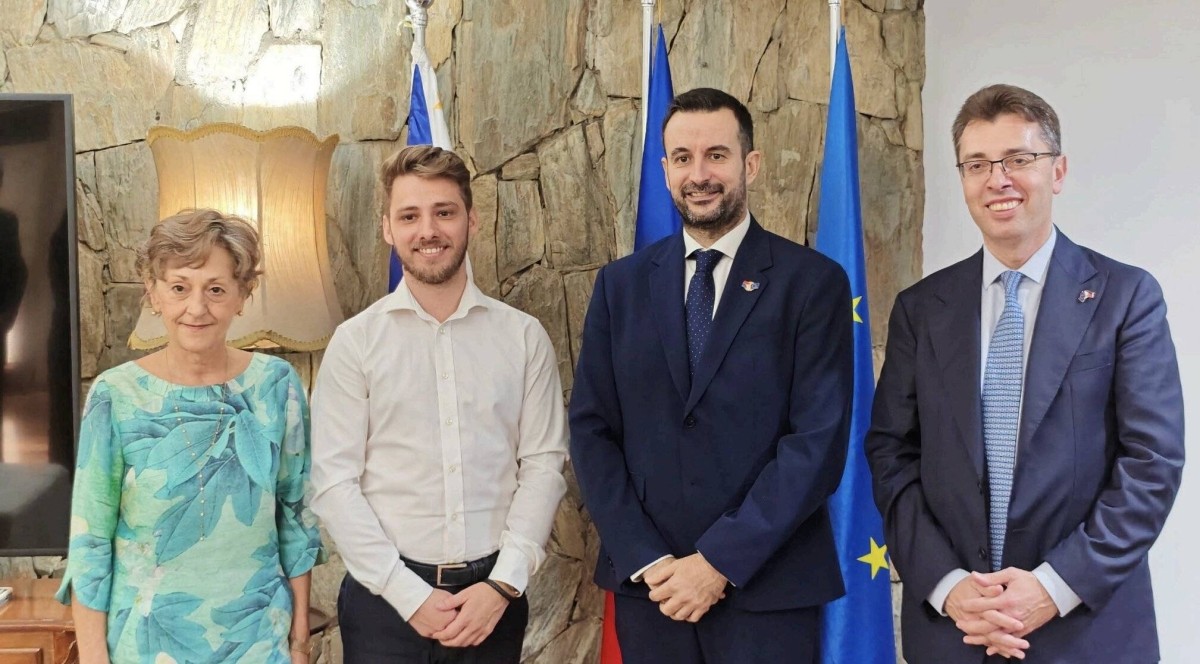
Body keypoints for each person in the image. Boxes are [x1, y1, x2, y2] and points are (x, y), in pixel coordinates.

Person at [865, 84, 1184, 663]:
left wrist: (1052, 588)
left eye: (1018, 158)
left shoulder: (1126, 298)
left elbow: (1152, 464)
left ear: (1057, 171)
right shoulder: (921, 309)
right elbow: (892, 456)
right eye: (978, 164)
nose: (998, 179)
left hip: (1086, 632)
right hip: (957, 632)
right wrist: (947, 585)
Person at [568, 87, 854, 664]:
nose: (699, 174)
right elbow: (591, 431)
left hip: (769, 591)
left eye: (716, 155)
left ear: (751, 163)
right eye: (683, 158)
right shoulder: (620, 287)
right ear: (665, 171)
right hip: (654, 591)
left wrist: (718, 562)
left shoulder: (813, 283)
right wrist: (648, 559)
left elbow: (817, 444)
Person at [309, 145, 567, 664]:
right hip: (384, 606)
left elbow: (543, 465)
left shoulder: (523, 337)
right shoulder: (355, 343)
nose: (428, 230)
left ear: (472, 218)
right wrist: (408, 595)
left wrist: (503, 585)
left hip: (491, 602)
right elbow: (334, 483)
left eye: (444, 212)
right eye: (409, 216)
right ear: (387, 228)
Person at [57, 209, 325, 663]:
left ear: (243, 294)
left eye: (216, 289)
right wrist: (93, 657)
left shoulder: (277, 386)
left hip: (258, 644)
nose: (197, 308)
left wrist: (299, 644)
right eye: (179, 287)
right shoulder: (115, 395)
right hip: (143, 648)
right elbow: (90, 542)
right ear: (153, 292)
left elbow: (296, 520)